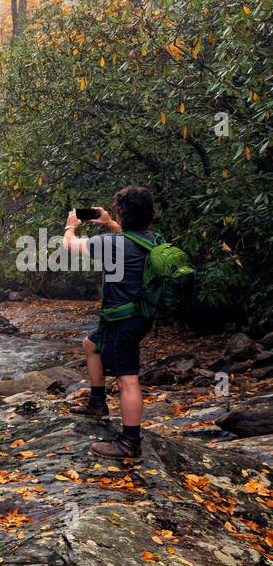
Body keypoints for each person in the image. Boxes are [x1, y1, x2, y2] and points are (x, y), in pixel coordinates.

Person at [63, 185, 158, 459]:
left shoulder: (111, 243)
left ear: (121, 212)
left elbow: (70, 246)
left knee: (127, 379)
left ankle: (130, 442)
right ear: (149, 215)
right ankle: (96, 402)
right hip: (138, 316)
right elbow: (129, 237)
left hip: (123, 319)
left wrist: (71, 226)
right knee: (91, 344)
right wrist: (108, 222)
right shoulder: (152, 239)